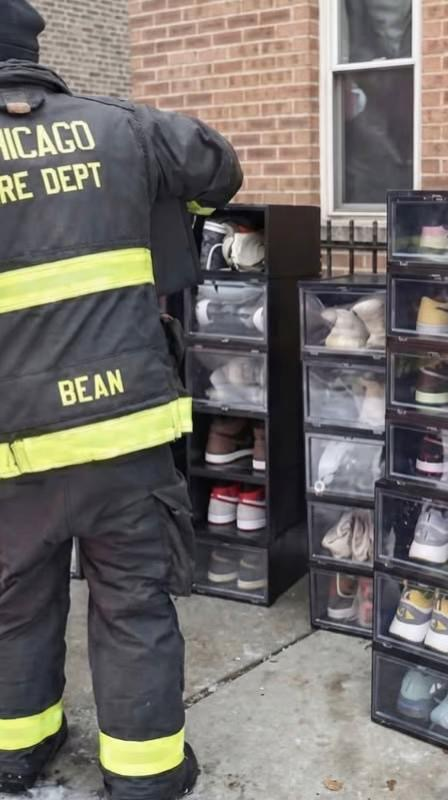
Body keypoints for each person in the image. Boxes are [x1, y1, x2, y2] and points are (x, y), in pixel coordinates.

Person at [0, 1, 243, 798]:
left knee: (14, 606)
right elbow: (218, 166)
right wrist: (167, 214)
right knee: (133, 604)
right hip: (126, 432)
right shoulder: (125, 128)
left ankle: (16, 751)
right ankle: (144, 778)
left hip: (13, 449)